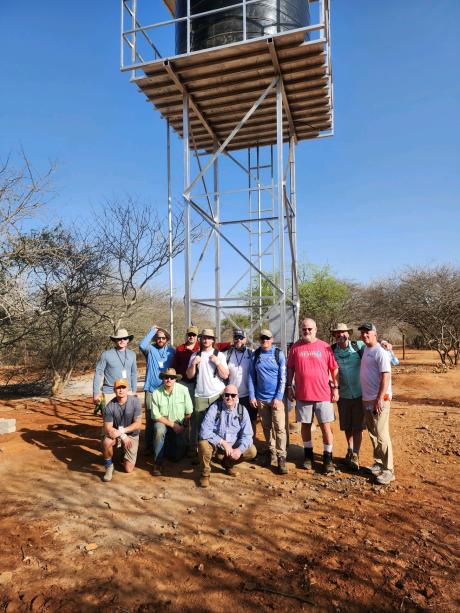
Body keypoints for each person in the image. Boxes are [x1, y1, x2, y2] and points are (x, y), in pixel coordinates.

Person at [287, 318, 339, 474]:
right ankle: (308, 455)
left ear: (315, 330)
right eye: (304, 329)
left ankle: (327, 457)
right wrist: (289, 386)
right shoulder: (295, 348)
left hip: (323, 394)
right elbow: (290, 368)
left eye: (310, 329)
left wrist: (335, 388)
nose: (307, 331)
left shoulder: (324, 347)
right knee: (305, 426)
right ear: (301, 330)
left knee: (325, 426)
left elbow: (334, 368)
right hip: (303, 395)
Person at [198, 384, 256, 487]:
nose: (229, 398)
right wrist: (222, 442)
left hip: (232, 447)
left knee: (251, 450)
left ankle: (227, 464)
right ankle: (205, 474)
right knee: (203, 443)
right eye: (227, 395)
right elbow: (204, 431)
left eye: (233, 395)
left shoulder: (242, 411)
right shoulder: (215, 408)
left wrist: (239, 450)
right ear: (223, 396)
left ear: (237, 397)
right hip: (216, 445)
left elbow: (248, 436)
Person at [358, 323, 395, 485]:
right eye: (363, 333)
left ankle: (388, 470)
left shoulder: (380, 352)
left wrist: (380, 398)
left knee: (381, 434)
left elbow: (386, 376)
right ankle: (379, 463)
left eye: (368, 332)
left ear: (375, 334)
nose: (365, 335)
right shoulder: (366, 349)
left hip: (379, 399)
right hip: (367, 398)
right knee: (373, 433)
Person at [248, 329, 287, 475]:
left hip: (276, 399)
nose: (265, 340)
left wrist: (278, 397)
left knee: (280, 428)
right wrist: (252, 395)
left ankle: (281, 456)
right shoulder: (256, 355)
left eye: (267, 338)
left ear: (272, 339)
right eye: (262, 338)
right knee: (266, 427)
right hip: (261, 398)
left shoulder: (278, 354)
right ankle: (271, 452)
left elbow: (283, 378)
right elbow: (251, 376)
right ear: (259, 340)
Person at [330, 323, 366, 471]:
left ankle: (355, 455)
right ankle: (350, 450)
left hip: (359, 393)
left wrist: (384, 344)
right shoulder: (331, 350)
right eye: (337, 333)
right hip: (342, 394)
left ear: (348, 334)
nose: (340, 335)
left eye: (343, 333)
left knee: (358, 426)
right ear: (334, 336)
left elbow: (374, 349)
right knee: (347, 425)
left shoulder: (359, 346)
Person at [186, 329, 229, 447]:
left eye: (209, 338)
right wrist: (193, 364)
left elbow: (225, 375)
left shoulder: (219, 355)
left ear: (213, 340)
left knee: (218, 423)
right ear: (200, 339)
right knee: (198, 425)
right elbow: (189, 375)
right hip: (200, 396)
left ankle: (216, 449)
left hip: (217, 395)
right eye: (204, 337)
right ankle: (197, 450)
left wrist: (218, 363)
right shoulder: (195, 355)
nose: (206, 340)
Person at [139, 325, 175, 455]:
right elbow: (142, 345)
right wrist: (152, 330)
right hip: (151, 389)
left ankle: (165, 445)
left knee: (166, 417)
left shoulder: (172, 351)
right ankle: (149, 446)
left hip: (166, 389)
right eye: (158, 338)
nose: (160, 340)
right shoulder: (150, 349)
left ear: (167, 339)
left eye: (163, 338)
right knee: (150, 418)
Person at [150, 368, 193, 476]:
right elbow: (155, 416)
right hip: (163, 422)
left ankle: (168, 447)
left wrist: (183, 426)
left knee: (175, 457)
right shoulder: (156, 393)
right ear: (163, 379)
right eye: (166, 377)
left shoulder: (183, 390)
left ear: (175, 379)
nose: (169, 379)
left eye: (172, 377)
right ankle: (157, 463)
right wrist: (173, 425)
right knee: (159, 430)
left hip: (179, 424)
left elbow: (189, 412)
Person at [101, 378, 142, 482]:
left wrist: (122, 432)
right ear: (114, 390)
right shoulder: (109, 406)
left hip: (131, 434)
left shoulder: (135, 401)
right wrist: (122, 436)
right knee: (106, 441)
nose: (121, 390)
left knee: (128, 469)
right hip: (116, 433)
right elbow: (108, 427)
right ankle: (109, 466)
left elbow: (138, 423)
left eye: (123, 387)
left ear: (127, 389)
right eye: (118, 388)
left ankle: (122, 453)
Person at [93, 328, 137, 414]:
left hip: (127, 391)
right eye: (119, 338)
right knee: (109, 420)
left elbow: (134, 373)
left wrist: (134, 391)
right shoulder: (106, 354)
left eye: (124, 338)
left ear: (128, 340)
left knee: (127, 419)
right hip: (110, 392)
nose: (122, 340)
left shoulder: (132, 355)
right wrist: (96, 393)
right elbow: (98, 373)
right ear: (115, 340)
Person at [225, 328, 255, 433]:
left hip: (248, 395)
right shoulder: (227, 354)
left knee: (251, 421)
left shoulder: (251, 353)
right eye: (236, 338)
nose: (238, 340)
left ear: (245, 340)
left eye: (241, 338)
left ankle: (251, 445)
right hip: (232, 396)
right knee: (233, 421)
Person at [171, 325, 200, 399]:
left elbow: (216, 346)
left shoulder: (201, 348)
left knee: (194, 407)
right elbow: (175, 366)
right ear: (187, 335)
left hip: (196, 383)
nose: (191, 337)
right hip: (182, 382)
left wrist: (230, 344)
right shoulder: (180, 348)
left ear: (197, 336)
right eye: (190, 335)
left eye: (194, 335)